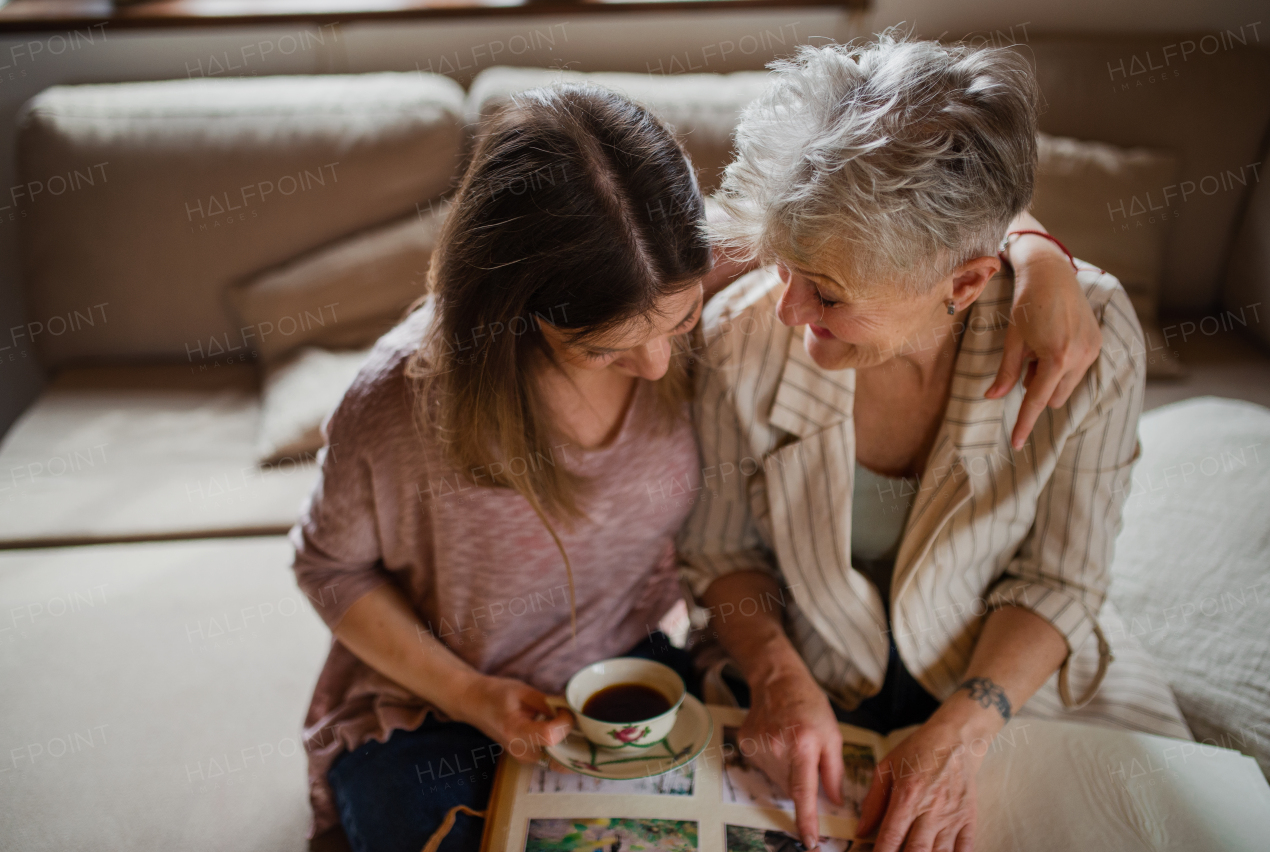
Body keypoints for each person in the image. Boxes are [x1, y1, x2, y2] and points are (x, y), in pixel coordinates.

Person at [291, 80, 1101, 852]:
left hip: (634, 678)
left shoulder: (710, 266)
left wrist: (1039, 255)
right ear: (516, 310)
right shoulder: (395, 402)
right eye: (605, 348)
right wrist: (468, 695)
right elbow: (329, 569)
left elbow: (915, 209)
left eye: (677, 324)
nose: (653, 367)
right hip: (431, 705)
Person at [680, 34, 1192, 852]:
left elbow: (1061, 576)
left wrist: (962, 732)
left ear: (963, 284)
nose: (786, 311)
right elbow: (716, 549)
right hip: (813, 680)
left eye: (829, 294)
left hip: (1005, 688)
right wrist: (776, 674)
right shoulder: (736, 339)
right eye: (784, 266)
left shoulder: (1090, 337)